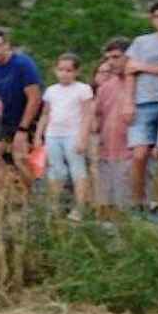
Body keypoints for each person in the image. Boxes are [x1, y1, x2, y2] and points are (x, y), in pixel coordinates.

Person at [125, 0, 158, 211]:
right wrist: (128, 102)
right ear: (152, 19)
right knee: (139, 154)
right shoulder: (141, 42)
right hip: (144, 102)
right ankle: (137, 202)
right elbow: (129, 71)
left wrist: (144, 66)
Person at [0, 28, 43, 183]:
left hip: (30, 118)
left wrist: (23, 130)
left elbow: (34, 98)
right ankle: (7, 196)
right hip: (6, 118)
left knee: (20, 157)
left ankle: (37, 198)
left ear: (7, 45)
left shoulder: (23, 64)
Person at [36, 53, 94, 220]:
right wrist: (39, 135)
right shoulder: (51, 91)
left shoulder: (83, 89)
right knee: (56, 170)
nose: (64, 73)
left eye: (69, 70)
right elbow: (45, 114)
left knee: (77, 169)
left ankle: (80, 208)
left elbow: (87, 115)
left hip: (73, 134)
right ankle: (53, 206)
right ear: (55, 70)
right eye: (61, 70)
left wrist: (83, 137)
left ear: (76, 72)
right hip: (53, 134)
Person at [92, 39, 136, 216]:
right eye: (108, 58)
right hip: (106, 152)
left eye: (116, 57)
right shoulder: (105, 87)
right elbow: (96, 118)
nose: (111, 62)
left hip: (130, 152)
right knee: (105, 206)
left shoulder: (142, 84)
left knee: (127, 206)